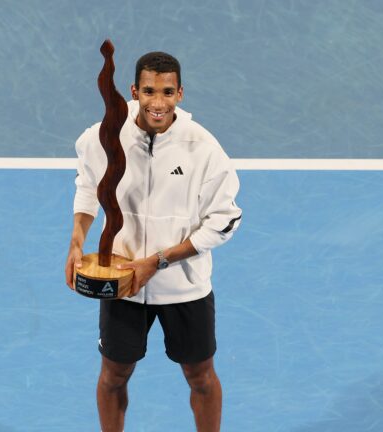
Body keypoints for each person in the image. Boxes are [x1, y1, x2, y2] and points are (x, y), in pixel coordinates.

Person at [64, 51, 242, 432]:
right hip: (123, 285)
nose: (157, 102)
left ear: (180, 93)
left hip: (185, 288)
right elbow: (87, 187)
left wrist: (158, 261)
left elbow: (224, 223)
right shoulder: (105, 135)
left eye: (166, 92)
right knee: (113, 375)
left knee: (200, 376)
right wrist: (76, 241)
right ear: (134, 91)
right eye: (148, 91)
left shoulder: (204, 150)